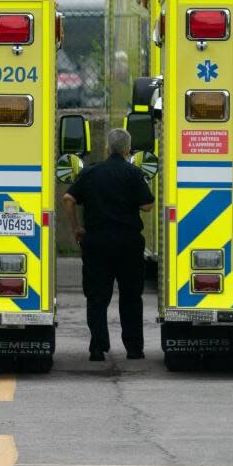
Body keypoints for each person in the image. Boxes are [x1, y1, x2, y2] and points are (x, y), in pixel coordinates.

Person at [62, 127, 155, 361]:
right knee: (131, 297)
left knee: (97, 297)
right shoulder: (134, 173)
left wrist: (76, 228)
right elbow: (147, 206)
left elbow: (68, 199)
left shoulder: (92, 173)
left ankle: (97, 347)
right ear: (127, 150)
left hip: (97, 243)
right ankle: (134, 349)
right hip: (128, 244)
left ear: (107, 148)